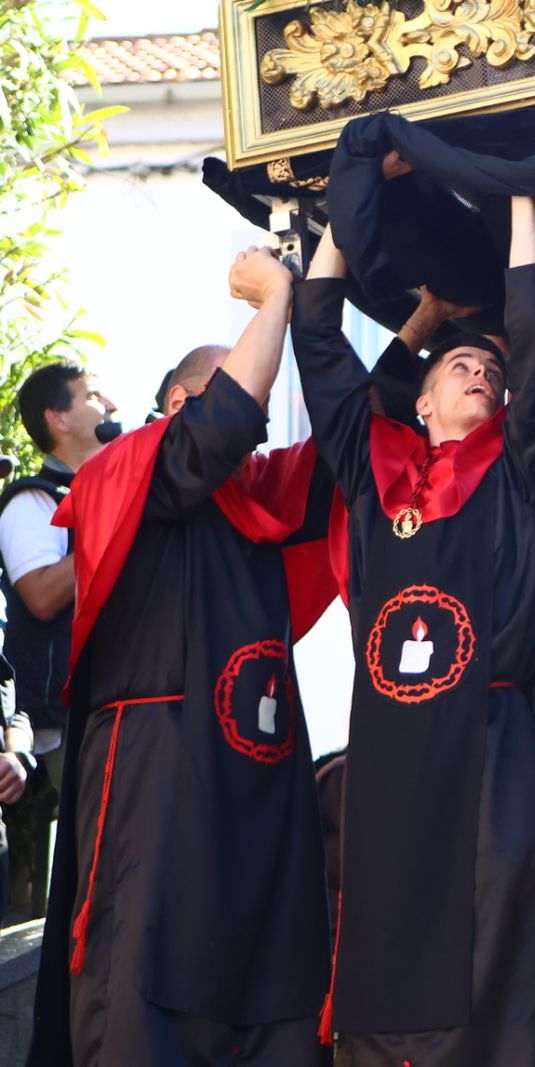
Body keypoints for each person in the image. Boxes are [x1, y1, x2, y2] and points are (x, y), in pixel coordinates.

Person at [28, 249, 336, 1067]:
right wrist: (271, 302)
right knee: (149, 975)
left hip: (257, 768)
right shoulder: (127, 468)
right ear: (176, 403)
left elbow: (347, 446)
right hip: (158, 763)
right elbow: (225, 423)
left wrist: (408, 322)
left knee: (270, 973)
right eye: (234, 380)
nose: (259, 413)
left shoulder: (258, 491)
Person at [289, 199, 535, 1065]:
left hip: (493, 733)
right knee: (388, 916)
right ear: (423, 396)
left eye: (492, 368)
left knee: (499, 907)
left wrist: (522, 203)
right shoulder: (374, 473)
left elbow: (531, 336)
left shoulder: (519, 466)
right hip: (392, 741)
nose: (482, 372)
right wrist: (335, 211)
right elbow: (322, 347)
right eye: (463, 365)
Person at [0, 363, 121, 840]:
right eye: (92, 395)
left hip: (119, 700)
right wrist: (115, 530)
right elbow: (42, 595)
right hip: (66, 719)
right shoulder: (32, 502)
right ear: (59, 419)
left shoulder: (104, 494)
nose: (110, 404)